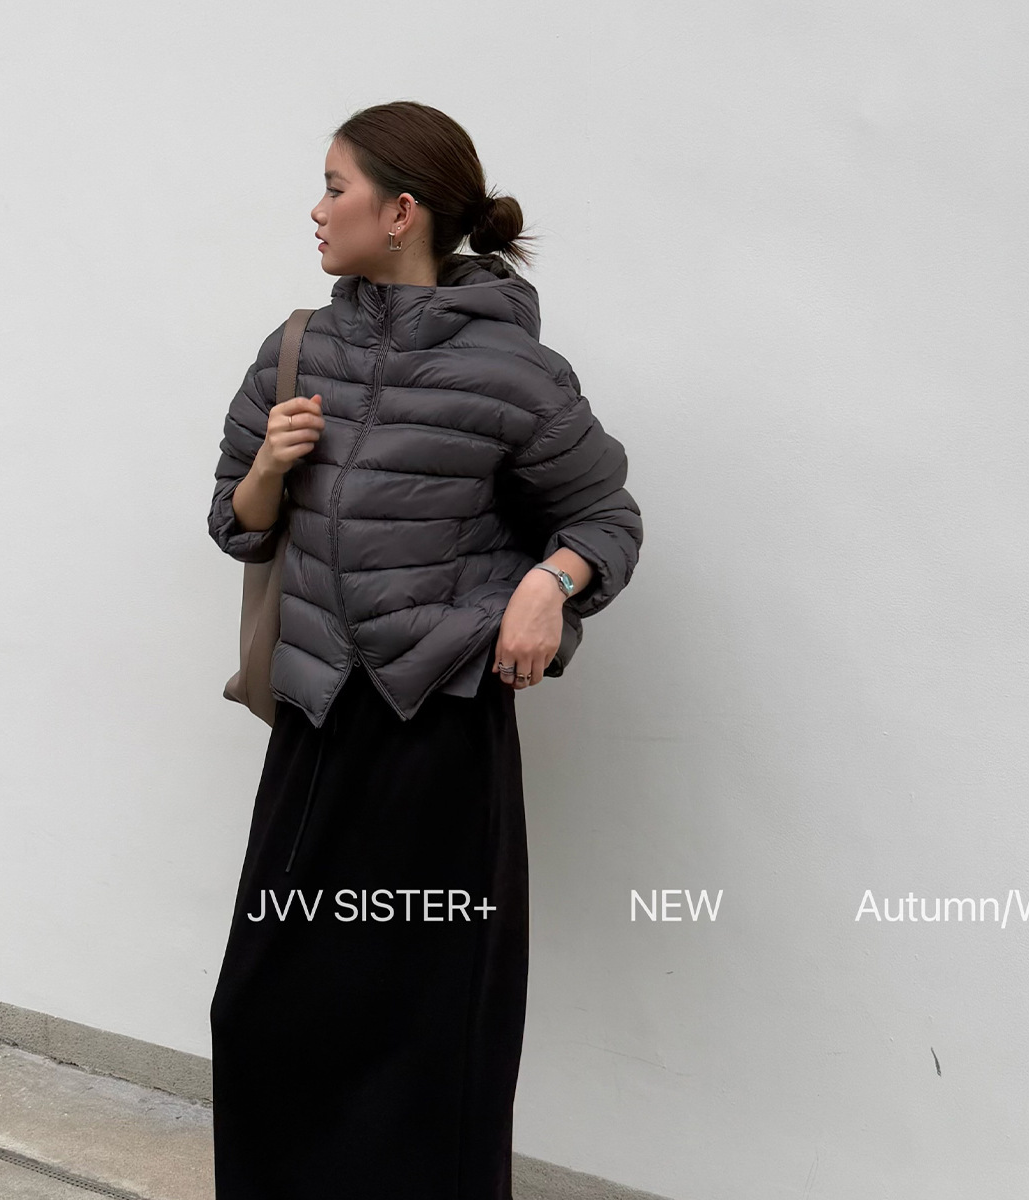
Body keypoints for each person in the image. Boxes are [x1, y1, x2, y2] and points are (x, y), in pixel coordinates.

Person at [207, 100, 643, 1200]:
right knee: (265, 1004)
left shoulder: (516, 372)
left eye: (335, 187)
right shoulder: (295, 347)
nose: (316, 210)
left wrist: (548, 585)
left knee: (433, 1019)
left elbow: (605, 522)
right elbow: (235, 525)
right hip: (316, 721)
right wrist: (269, 466)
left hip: (441, 734)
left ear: (400, 211)